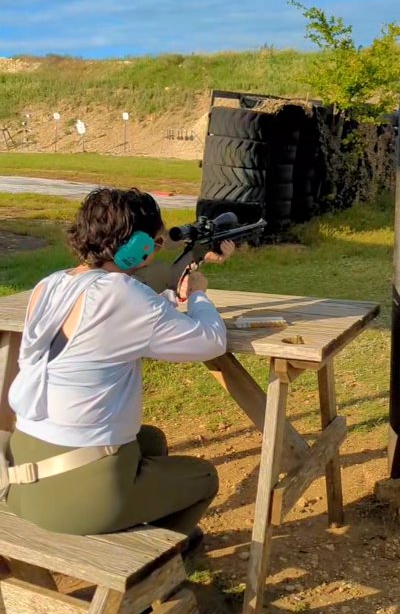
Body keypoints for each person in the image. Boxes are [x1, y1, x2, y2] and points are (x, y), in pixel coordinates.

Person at [6, 187, 234, 543]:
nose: (158, 249)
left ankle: (137, 521)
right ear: (138, 246)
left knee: (151, 441)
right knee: (203, 477)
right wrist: (198, 293)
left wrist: (183, 275)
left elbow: (129, 312)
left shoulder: (49, 285)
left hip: (23, 468)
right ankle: (153, 563)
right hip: (75, 494)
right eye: (156, 242)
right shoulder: (121, 294)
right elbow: (210, 341)